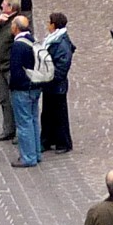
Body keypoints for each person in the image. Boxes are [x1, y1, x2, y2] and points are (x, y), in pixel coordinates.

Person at [9, 14, 44, 167]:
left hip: (23, 89)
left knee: (24, 124)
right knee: (34, 120)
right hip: (36, 85)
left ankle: (28, 157)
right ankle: (36, 153)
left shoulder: (18, 45)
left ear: (16, 28)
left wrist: (13, 86)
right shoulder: (32, 40)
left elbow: (15, 71)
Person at [42, 13, 75, 153]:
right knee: (48, 113)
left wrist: (49, 75)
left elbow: (62, 67)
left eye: (49, 22)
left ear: (54, 25)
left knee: (59, 115)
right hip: (51, 84)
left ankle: (63, 143)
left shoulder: (61, 44)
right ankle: (48, 140)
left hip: (56, 85)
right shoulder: (55, 40)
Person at [0, 0, 22, 142]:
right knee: (4, 100)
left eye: (4, 4)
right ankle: (8, 129)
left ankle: (19, 132)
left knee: (16, 101)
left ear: (10, 8)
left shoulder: (17, 24)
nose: (1, 5)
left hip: (11, 68)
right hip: (2, 67)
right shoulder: (4, 20)